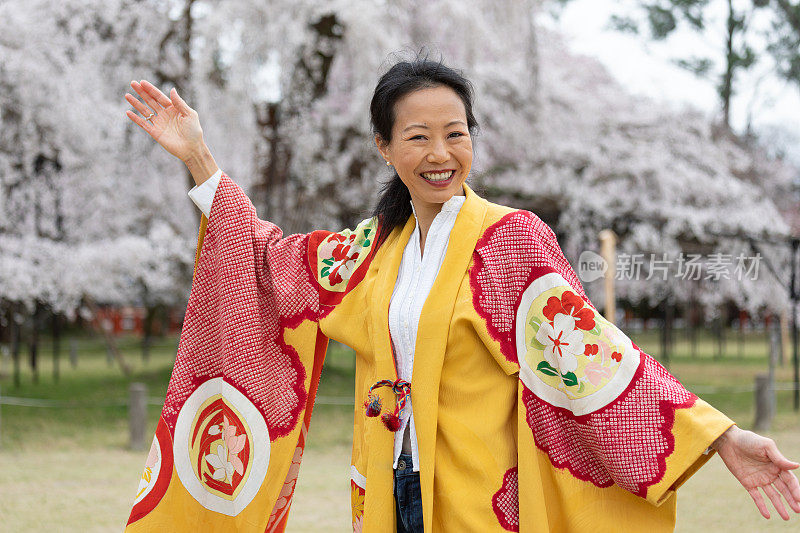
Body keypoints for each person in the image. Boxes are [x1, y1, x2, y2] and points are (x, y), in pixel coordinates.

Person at [122, 56, 800, 532]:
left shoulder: (510, 238)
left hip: (479, 499)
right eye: (417, 136)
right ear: (386, 147)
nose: (440, 151)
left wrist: (719, 436)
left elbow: (594, 353)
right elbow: (267, 261)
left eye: (456, 132)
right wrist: (200, 161)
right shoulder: (371, 251)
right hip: (385, 490)